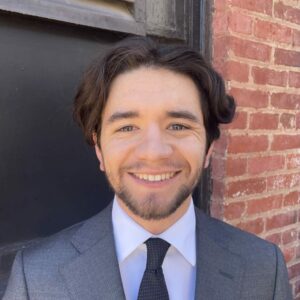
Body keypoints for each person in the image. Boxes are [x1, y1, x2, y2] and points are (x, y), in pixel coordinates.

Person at [4, 37, 292, 300]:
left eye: (178, 126)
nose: (153, 153)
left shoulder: (265, 269)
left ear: (209, 149)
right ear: (99, 150)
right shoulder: (36, 277)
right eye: (127, 127)